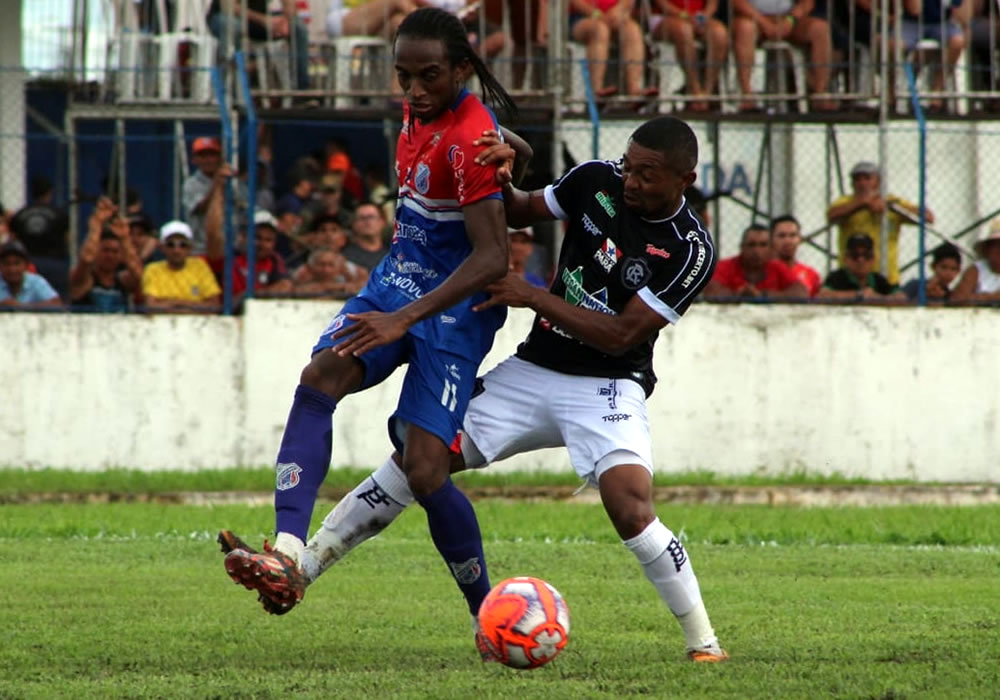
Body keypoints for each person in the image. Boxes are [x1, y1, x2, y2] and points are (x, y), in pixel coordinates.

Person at [222, 116, 728, 663]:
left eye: (648, 175)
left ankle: (703, 642)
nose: (631, 181)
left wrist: (533, 297)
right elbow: (514, 209)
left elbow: (622, 333)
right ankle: (300, 568)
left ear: (687, 177)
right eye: (630, 166)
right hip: (535, 369)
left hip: (607, 385)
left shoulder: (690, 251)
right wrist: (511, 161)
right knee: (422, 460)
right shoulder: (595, 181)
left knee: (629, 506)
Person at [220, 8, 518, 631]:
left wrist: (402, 321)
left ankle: (486, 618)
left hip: (452, 314)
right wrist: (522, 147)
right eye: (404, 75)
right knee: (320, 375)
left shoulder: (469, 136)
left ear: (461, 69)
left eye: (429, 76)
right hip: (393, 286)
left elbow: (492, 257)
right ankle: (287, 553)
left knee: (426, 468)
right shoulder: (423, 110)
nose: (414, 90)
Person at [827, 161, 934, 286]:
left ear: (878, 181)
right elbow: (831, 216)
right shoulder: (845, 202)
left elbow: (928, 217)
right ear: (852, 183)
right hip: (850, 276)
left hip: (887, 276)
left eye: (867, 178)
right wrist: (862, 202)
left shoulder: (892, 201)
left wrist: (893, 207)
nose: (862, 183)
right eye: (857, 179)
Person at [731, 0, 836, 111]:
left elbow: (807, 3)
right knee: (745, 28)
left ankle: (820, 94)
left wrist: (789, 21)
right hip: (752, 17)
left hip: (788, 18)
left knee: (820, 28)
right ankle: (747, 95)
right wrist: (764, 22)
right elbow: (737, 2)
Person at [207, 0, 310, 90]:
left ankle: (301, 89)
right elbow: (230, 7)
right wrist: (264, 20)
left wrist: (285, 21)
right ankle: (229, 91)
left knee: (298, 27)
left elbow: (291, 8)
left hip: (257, 20)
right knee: (232, 26)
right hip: (225, 16)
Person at [569, 0, 659, 100]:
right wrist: (597, 15)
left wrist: (618, 10)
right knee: (600, 30)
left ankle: (634, 91)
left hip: (615, 16)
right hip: (583, 18)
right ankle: (595, 91)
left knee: (633, 30)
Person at [648, 0, 730, 111]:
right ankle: (694, 91)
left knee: (719, 33)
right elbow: (661, 3)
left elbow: (712, 4)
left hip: (698, 18)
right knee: (684, 30)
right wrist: (685, 16)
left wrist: (703, 17)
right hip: (665, 17)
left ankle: (707, 93)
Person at [69, 197, 143, 313]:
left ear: (120, 256)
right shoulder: (84, 280)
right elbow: (87, 258)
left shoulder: (123, 281)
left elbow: (138, 273)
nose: (110, 256)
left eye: (115, 252)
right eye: (105, 250)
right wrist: (96, 225)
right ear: (97, 252)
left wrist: (125, 238)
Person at [702, 223, 808, 299]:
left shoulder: (778, 267)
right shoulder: (725, 266)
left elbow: (801, 292)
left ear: (771, 248)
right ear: (742, 247)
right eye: (751, 245)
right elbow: (710, 291)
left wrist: (762, 295)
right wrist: (738, 296)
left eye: (763, 245)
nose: (756, 251)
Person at [8, 176, 70, 301]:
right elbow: (67, 239)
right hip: (55, 262)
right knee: (56, 298)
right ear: (49, 193)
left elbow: (12, 240)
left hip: (28, 263)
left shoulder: (20, 214)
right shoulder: (59, 214)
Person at [141, 221, 222, 313]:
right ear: (162, 247)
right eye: (170, 244)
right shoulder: (153, 270)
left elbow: (214, 306)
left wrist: (171, 303)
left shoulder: (200, 267)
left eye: (183, 245)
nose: (176, 250)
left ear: (190, 248)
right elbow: (151, 307)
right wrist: (188, 305)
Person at [816, 233, 903, 302]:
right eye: (855, 255)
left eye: (866, 255)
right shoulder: (836, 277)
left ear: (873, 259)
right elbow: (822, 295)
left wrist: (876, 297)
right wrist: (858, 295)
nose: (861, 260)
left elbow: (901, 297)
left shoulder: (879, 280)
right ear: (846, 259)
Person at [181, 137, 227, 254]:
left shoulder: (231, 181)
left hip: (229, 248)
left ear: (220, 158)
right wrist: (217, 184)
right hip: (201, 250)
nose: (208, 160)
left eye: (212, 155)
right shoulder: (190, 184)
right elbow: (201, 207)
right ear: (194, 160)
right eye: (202, 156)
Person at [0, 240, 62, 308]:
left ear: (26, 265)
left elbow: (56, 304)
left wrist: (20, 306)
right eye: (7, 264)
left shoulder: (35, 281)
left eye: (17, 263)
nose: (12, 269)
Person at [771, 214, 821, 297]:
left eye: (793, 235)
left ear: (799, 239)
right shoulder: (763, 272)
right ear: (771, 239)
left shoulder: (811, 275)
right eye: (782, 236)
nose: (788, 241)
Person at [952, 218, 1000, 303]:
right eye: (997, 246)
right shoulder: (976, 270)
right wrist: (992, 297)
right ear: (987, 249)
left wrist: (979, 298)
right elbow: (958, 299)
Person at [292, 247, 367, 297]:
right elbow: (298, 291)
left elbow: (359, 290)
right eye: (321, 264)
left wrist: (348, 276)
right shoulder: (302, 281)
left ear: (339, 267)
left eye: (331, 265)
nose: (326, 269)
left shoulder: (348, 281)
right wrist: (339, 287)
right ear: (312, 266)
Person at [342, 201, 391, 270]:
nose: (367, 222)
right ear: (353, 224)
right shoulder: (344, 257)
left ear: (383, 221)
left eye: (371, 217)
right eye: (362, 218)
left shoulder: (394, 255)